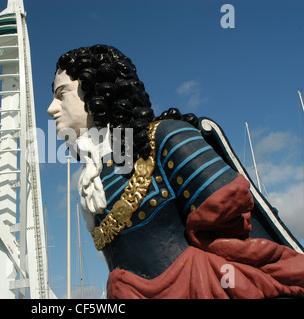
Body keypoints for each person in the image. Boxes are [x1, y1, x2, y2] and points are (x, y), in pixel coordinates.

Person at [47, 44, 304, 298]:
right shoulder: (95, 174)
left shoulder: (166, 137)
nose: (51, 109)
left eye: (61, 94)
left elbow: (234, 227)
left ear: (96, 92)